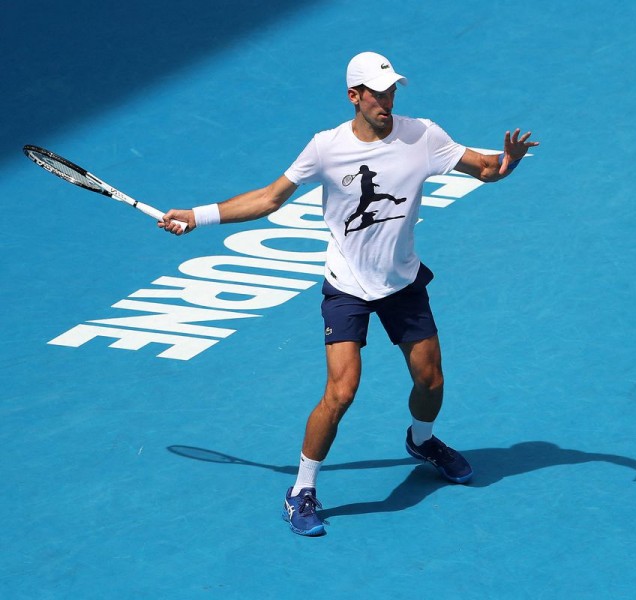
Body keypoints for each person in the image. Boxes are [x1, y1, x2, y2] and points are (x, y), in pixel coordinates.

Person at [160, 51, 539, 537]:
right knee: (341, 392)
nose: (387, 100)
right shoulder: (325, 148)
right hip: (348, 289)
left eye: (392, 90)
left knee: (431, 382)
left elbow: (484, 170)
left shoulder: (423, 135)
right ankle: (301, 490)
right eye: (377, 93)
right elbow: (269, 198)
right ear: (354, 96)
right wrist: (197, 214)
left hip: (402, 283)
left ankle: (422, 442)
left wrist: (509, 162)